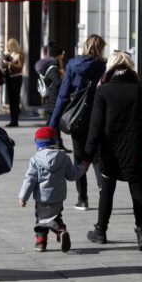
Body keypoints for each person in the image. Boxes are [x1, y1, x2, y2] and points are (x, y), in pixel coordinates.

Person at [82, 51, 142, 251]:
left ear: (111, 67)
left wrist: (87, 155)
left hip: (110, 149)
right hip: (135, 147)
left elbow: (95, 126)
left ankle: (100, 231)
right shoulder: (140, 88)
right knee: (136, 187)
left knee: (107, 189)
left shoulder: (104, 90)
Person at [48, 35, 107, 210]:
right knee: (97, 157)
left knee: (79, 157)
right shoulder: (103, 66)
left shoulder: (73, 65)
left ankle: (82, 198)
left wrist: (52, 124)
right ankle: (104, 193)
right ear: (100, 48)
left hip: (78, 119)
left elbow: (63, 96)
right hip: (99, 118)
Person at [18, 126, 86, 253]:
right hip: (58, 198)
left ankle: (41, 241)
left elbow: (30, 179)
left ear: (37, 143)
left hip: (42, 199)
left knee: (41, 220)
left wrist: (23, 197)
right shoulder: (64, 157)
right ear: (54, 141)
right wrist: (83, 167)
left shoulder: (35, 160)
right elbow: (72, 175)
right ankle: (60, 232)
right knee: (56, 216)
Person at [2, 38, 24, 127]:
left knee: (15, 99)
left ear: (14, 46)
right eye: (8, 46)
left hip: (17, 78)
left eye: (10, 46)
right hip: (9, 78)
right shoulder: (9, 55)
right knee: (11, 100)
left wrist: (10, 64)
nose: (9, 48)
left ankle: (15, 120)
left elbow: (20, 67)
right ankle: (12, 120)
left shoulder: (20, 54)